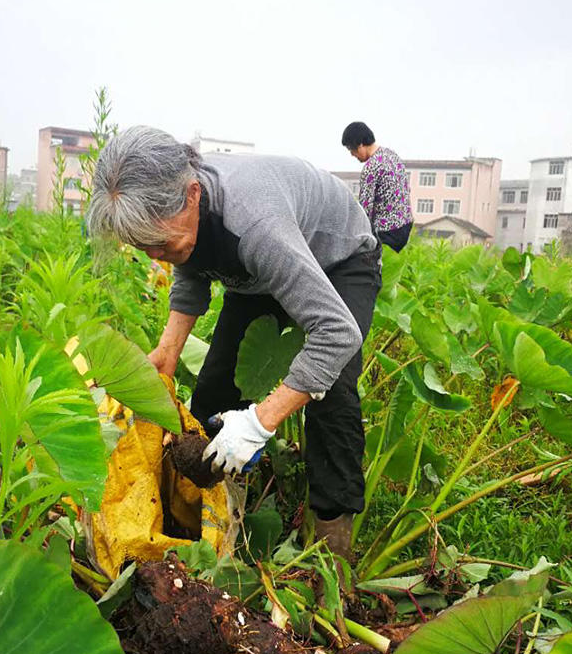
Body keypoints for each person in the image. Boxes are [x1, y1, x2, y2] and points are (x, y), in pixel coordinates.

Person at [88, 126, 382, 556]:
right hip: (258, 277)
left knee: (330, 393)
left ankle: (330, 547)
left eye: (160, 243)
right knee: (213, 391)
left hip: (338, 258)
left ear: (192, 195)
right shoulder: (186, 212)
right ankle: (205, 521)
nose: (155, 256)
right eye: (144, 247)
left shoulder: (255, 222)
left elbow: (337, 334)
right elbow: (191, 262)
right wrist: (168, 351)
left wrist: (260, 422)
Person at [341, 122, 413, 252]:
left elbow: (364, 210)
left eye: (351, 150)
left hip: (387, 232)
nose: (352, 155)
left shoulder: (371, 167)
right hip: (405, 225)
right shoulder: (392, 155)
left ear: (360, 144)